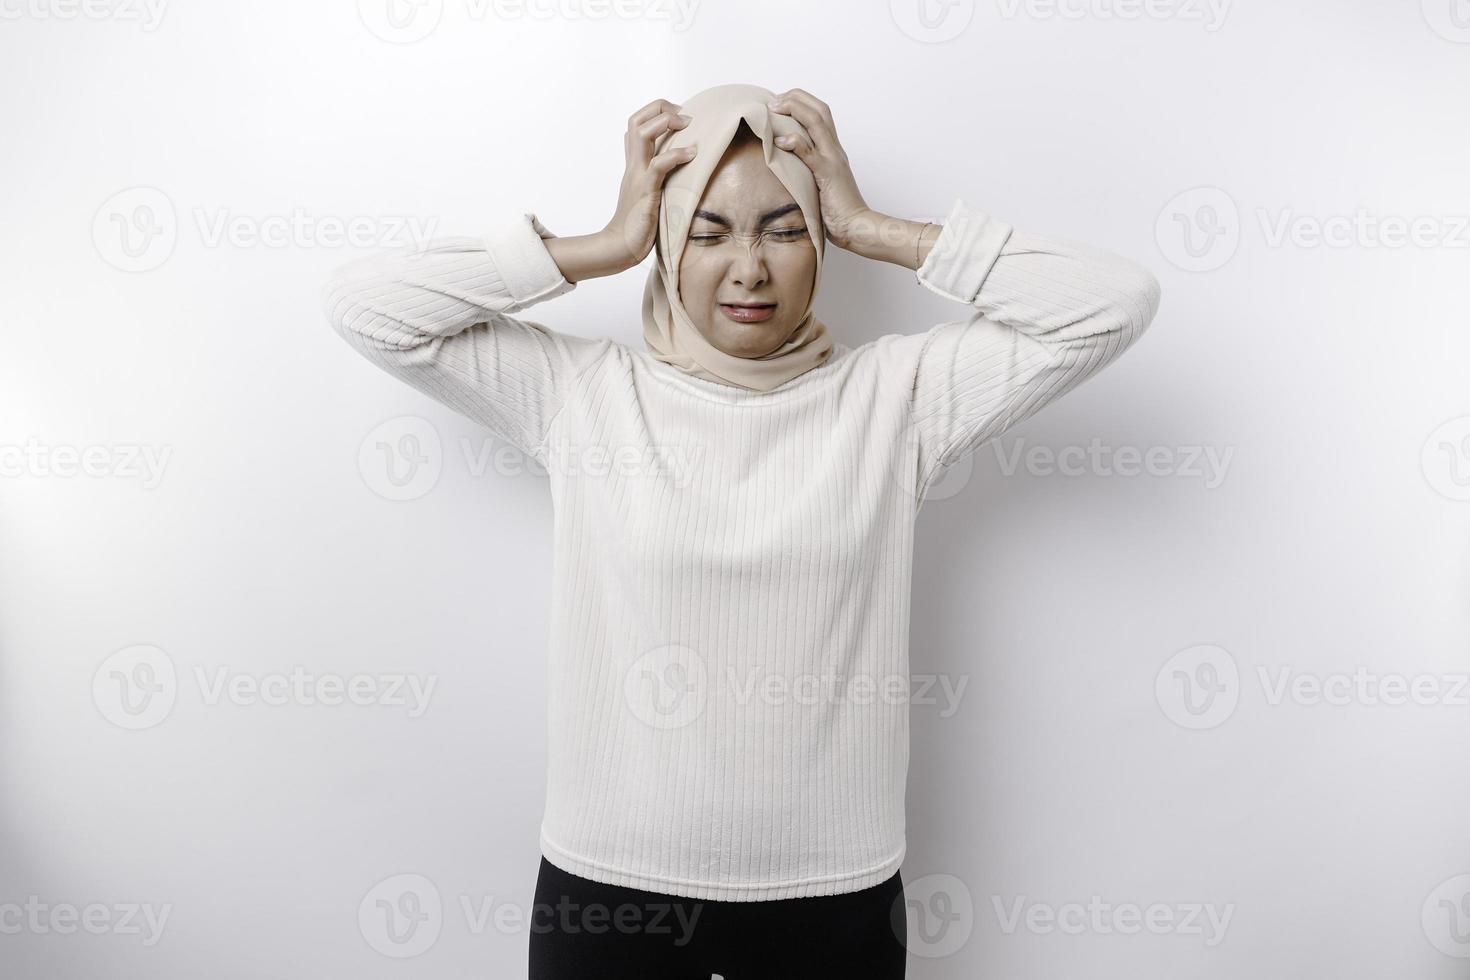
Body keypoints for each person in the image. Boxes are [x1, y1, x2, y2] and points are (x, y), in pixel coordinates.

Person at [321, 83, 1162, 979]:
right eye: (708, 231)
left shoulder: (898, 399)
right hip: (611, 893)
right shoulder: (583, 398)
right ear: (665, 241)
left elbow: (1112, 302)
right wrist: (596, 248)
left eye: (786, 228)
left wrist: (879, 228)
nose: (749, 269)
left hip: (835, 895)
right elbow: (367, 306)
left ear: (822, 241)